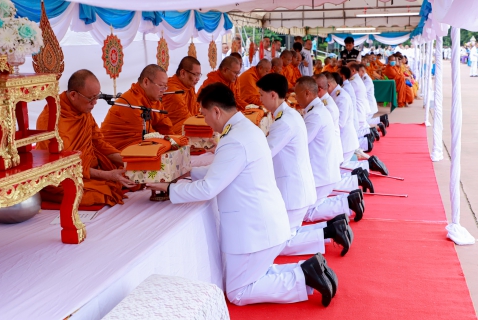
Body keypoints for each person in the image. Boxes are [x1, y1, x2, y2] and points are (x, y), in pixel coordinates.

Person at [146, 82, 339, 307]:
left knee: (238, 292)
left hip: (255, 229)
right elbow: (225, 171)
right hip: (264, 223)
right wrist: (189, 172)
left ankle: (304, 276)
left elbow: (209, 188)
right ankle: (309, 269)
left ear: (216, 111)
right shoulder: (245, 129)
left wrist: (169, 189)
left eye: (205, 114)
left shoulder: (234, 139)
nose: (205, 121)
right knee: (257, 274)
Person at [257, 73, 353, 257]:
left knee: (282, 243)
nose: (260, 100)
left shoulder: (285, 120)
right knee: (289, 233)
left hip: (294, 187)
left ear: (272, 95)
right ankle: (333, 227)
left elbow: (265, 154)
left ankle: (327, 237)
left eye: (261, 95)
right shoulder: (290, 115)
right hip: (298, 184)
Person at [36, 69, 135, 206]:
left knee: (128, 176)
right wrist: (107, 175)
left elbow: (99, 142)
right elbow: (63, 166)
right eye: (90, 98)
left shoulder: (82, 110)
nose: (95, 103)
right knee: (97, 193)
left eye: (97, 97)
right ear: (73, 95)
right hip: (62, 176)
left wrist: (129, 161)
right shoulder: (52, 119)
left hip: (89, 169)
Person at [292, 76, 365, 224]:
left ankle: (347, 203)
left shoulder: (316, 114)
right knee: (311, 204)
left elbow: (301, 142)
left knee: (307, 213)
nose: (295, 98)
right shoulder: (316, 109)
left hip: (321, 171)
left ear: (307, 93)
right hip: (323, 168)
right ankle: (349, 197)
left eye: (296, 93)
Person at [101, 64, 174, 151]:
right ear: (146, 82)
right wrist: (170, 142)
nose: (164, 90)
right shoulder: (130, 102)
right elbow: (149, 137)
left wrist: (175, 141)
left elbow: (165, 127)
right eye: (161, 86)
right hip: (116, 154)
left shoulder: (154, 101)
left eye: (166, 86)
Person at [161, 56, 201, 134]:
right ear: (183, 73)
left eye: (199, 75)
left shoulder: (189, 88)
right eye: (195, 74)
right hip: (174, 134)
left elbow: (196, 108)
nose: (198, 79)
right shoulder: (174, 91)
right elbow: (186, 120)